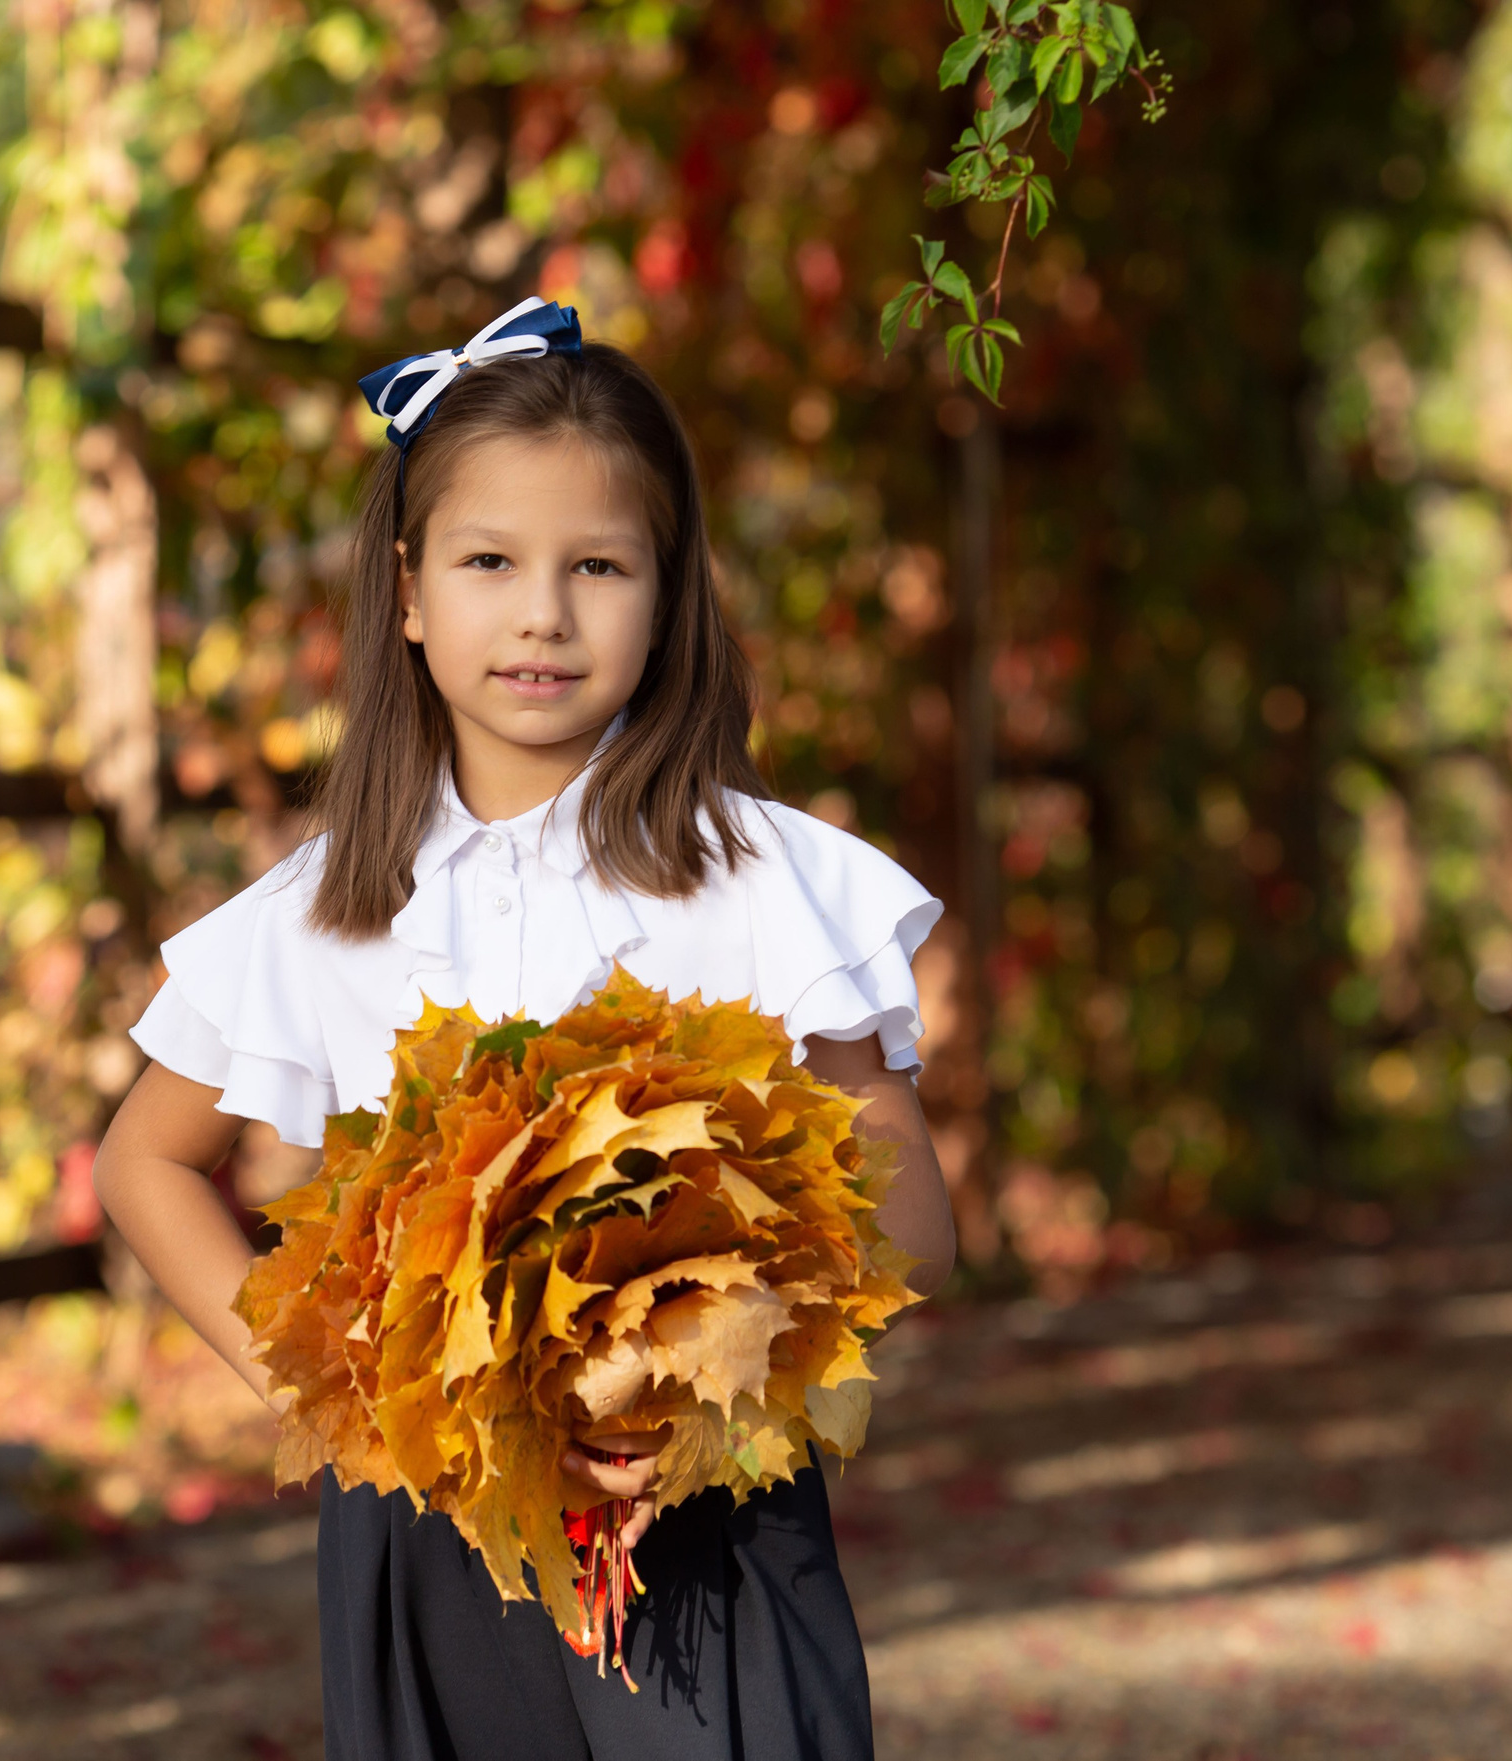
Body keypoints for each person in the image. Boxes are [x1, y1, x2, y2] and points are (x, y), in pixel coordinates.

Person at [93, 296, 956, 1761]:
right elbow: (144, 1166)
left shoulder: (765, 879)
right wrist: (352, 1410)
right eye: (490, 561)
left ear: (668, 595)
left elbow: (916, 1219)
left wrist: (703, 1378)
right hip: (433, 1548)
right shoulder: (322, 909)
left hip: (706, 1526)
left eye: (598, 566)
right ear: (411, 591)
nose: (543, 613)